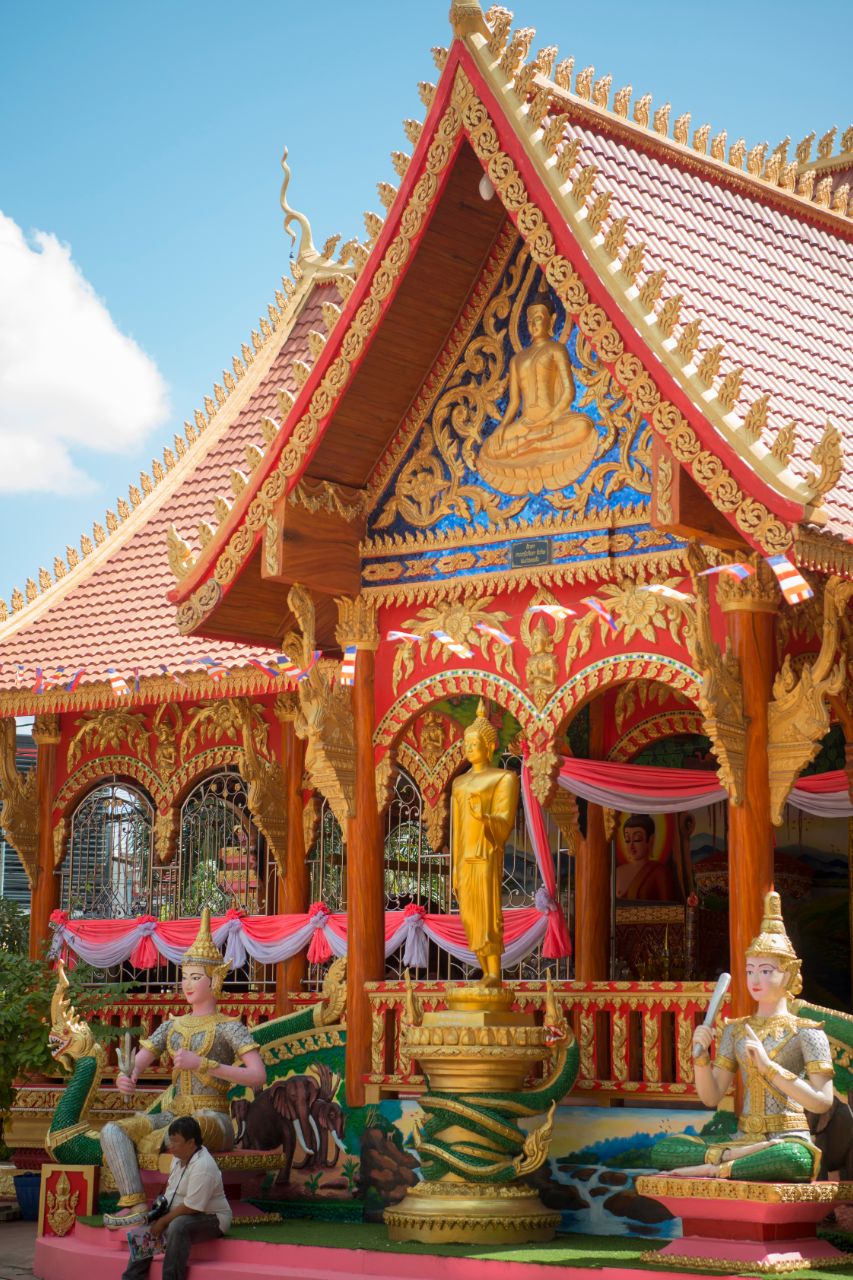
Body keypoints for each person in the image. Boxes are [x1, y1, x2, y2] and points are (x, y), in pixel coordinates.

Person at [649, 891, 833, 1181]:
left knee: (792, 1159)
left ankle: (711, 1169)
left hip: (787, 1139)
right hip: (744, 1139)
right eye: (750, 971)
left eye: (765, 970)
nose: (755, 980)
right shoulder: (735, 1029)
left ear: (788, 974)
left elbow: (823, 1102)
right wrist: (700, 1057)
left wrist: (768, 1068)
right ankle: (733, 1161)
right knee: (664, 1149)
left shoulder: (806, 1031)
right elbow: (711, 1097)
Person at [100, 908, 267, 1227]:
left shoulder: (228, 1027)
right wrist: (128, 1077)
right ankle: (133, 1202)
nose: (187, 984)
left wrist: (205, 1064)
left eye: (195, 977)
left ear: (214, 979)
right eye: (185, 976)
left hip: (214, 1119)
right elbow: (134, 1066)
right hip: (177, 1114)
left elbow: (258, 1076)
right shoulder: (171, 1026)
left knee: (179, 1131)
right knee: (113, 1130)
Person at [478, 281, 598, 496]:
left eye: (539, 318)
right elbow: (514, 402)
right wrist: (501, 428)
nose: (533, 324)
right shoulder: (517, 359)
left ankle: (537, 446)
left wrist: (549, 419)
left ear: (551, 321)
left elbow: (569, 392)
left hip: (553, 420)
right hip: (526, 425)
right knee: (488, 449)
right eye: (530, 320)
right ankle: (533, 441)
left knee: (583, 428)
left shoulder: (556, 349)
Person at [450, 700, 519, 985]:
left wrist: (485, 817)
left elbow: (505, 821)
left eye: (474, 741)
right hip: (464, 858)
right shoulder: (459, 783)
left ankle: (493, 972)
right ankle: (484, 970)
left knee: (487, 915)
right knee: (468, 917)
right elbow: (456, 830)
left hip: (486, 854)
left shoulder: (504, 778)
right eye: (465, 742)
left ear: (490, 746)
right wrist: (453, 866)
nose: (468, 746)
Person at [121, 1115, 230, 1280]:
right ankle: (131, 1278)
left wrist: (163, 1222)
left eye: (175, 1142)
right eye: (170, 1141)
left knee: (178, 1226)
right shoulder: (178, 1159)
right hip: (184, 1212)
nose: (170, 1146)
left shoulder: (203, 1166)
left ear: (191, 1142)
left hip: (212, 1218)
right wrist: (157, 1216)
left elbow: (191, 1207)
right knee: (148, 1225)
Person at [615, 813, 676, 901]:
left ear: (650, 840)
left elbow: (668, 910)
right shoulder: (618, 872)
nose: (631, 846)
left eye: (637, 839)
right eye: (627, 840)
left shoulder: (659, 872)